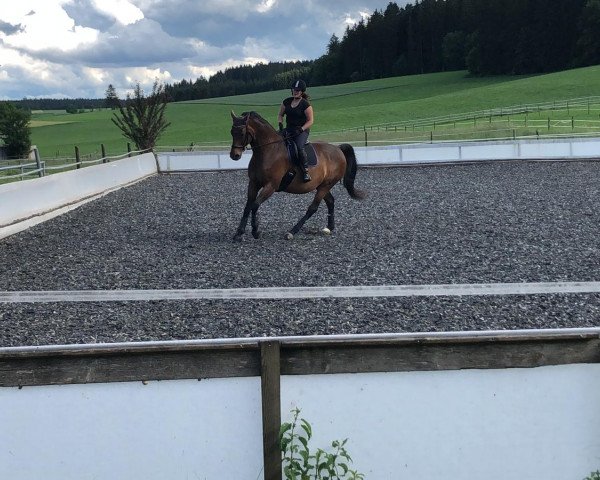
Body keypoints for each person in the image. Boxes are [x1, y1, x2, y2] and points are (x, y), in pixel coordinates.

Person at [278, 79, 314, 182]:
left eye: (298, 90)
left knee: (298, 147)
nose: (295, 91)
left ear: (302, 91)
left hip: (301, 130)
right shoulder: (286, 102)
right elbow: (280, 114)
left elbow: (310, 120)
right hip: (289, 129)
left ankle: (305, 171)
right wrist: (280, 123)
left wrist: (301, 129)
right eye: (294, 90)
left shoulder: (305, 104)